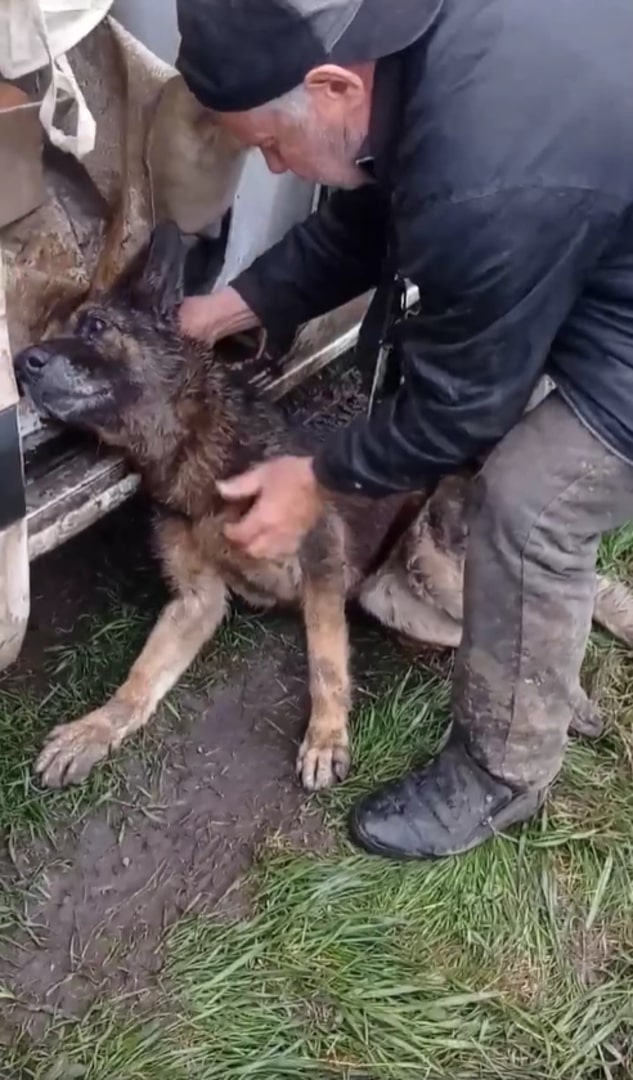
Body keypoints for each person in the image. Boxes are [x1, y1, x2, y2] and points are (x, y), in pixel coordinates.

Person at [174, 0, 633, 860]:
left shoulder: (485, 179)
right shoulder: (406, 42)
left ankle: (503, 771)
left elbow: (465, 406)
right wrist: (238, 304)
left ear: (333, 86)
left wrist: (312, 474)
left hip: (577, 218)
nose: (271, 162)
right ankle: (517, 605)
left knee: (531, 503)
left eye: (271, 146)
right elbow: (376, 205)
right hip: (592, 195)